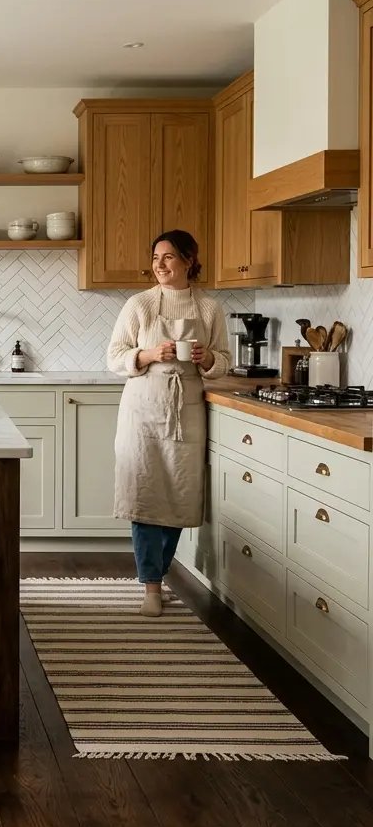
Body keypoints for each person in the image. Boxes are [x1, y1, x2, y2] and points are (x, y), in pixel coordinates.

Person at [106, 230, 231, 616]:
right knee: (145, 495)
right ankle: (151, 585)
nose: (160, 265)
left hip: (185, 410)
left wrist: (208, 358)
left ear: (190, 260)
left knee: (177, 495)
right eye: (156, 258)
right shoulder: (139, 305)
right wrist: (146, 354)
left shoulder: (210, 308)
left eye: (169, 257)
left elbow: (225, 361)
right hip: (143, 410)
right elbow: (114, 357)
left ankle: (158, 574)